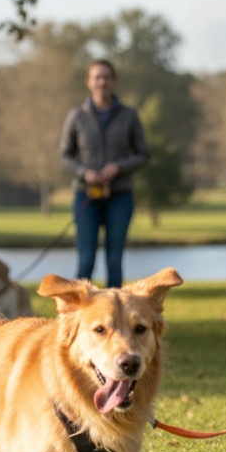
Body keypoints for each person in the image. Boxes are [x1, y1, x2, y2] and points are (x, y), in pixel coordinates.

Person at [59, 58, 149, 287]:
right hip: (86, 195)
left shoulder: (129, 116)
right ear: (88, 82)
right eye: (97, 77)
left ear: (114, 82)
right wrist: (83, 172)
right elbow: (65, 155)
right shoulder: (76, 116)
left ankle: (115, 316)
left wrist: (119, 167)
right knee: (86, 259)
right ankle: (78, 316)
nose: (102, 82)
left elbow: (143, 154)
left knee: (114, 260)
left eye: (106, 77)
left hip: (120, 195)